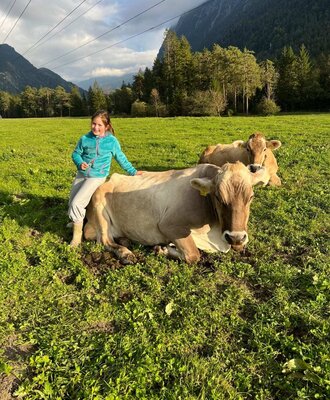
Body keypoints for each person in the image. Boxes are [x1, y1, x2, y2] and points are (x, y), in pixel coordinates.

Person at [68, 109, 142, 246]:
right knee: (72, 200)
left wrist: (133, 171)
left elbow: (120, 157)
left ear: (106, 126)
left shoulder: (111, 141)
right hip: (82, 174)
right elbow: (75, 154)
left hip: (97, 176)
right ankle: (78, 221)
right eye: (93, 124)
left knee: (76, 203)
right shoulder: (85, 139)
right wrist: (79, 162)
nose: (96, 127)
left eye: (99, 125)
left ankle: (76, 238)